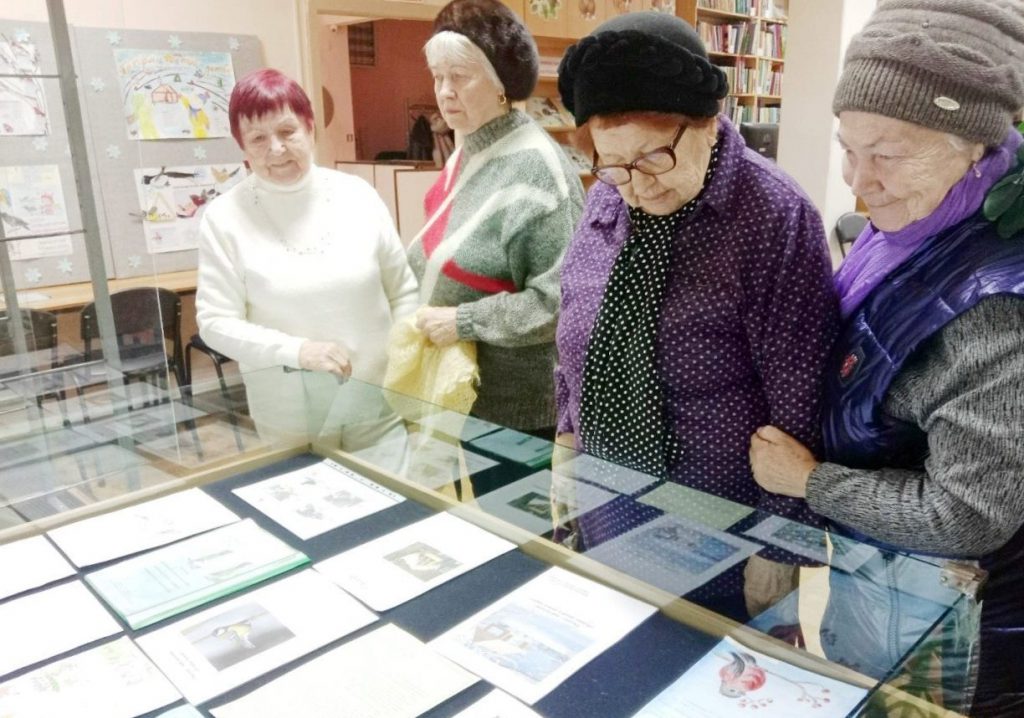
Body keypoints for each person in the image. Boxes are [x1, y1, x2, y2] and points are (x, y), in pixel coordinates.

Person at [748, 2, 1024, 714]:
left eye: (887, 155)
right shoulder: (921, 218)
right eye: (848, 148)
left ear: (974, 146)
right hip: (889, 583)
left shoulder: (998, 310)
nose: (857, 181)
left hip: (951, 627)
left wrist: (810, 482)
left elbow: (968, 517)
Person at [553, 11, 837, 612]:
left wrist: (780, 547)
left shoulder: (774, 216)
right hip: (606, 499)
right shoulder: (608, 196)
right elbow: (574, 327)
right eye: (613, 164)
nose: (638, 187)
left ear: (708, 122)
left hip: (719, 525)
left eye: (654, 157)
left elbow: (802, 397)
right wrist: (565, 437)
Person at [197, 68, 418, 440]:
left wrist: (402, 365)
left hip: (377, 403)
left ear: (310, 128)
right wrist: (297, 351)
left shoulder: (358, 196)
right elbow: (215, 322)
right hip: (289, 414)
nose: (276, 149)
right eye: (258, 138)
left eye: (287, 131)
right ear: (243, 148)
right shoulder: (224, 218)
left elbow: (403, 291)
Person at [406, 0, 584, 445]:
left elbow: (558, 303)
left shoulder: (537, 167)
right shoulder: (468, 152)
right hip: (461, 396)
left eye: (460, 76)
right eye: (438, 76)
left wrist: (464, 321)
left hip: (517, 413)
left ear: (502, 83)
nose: (445, 92)